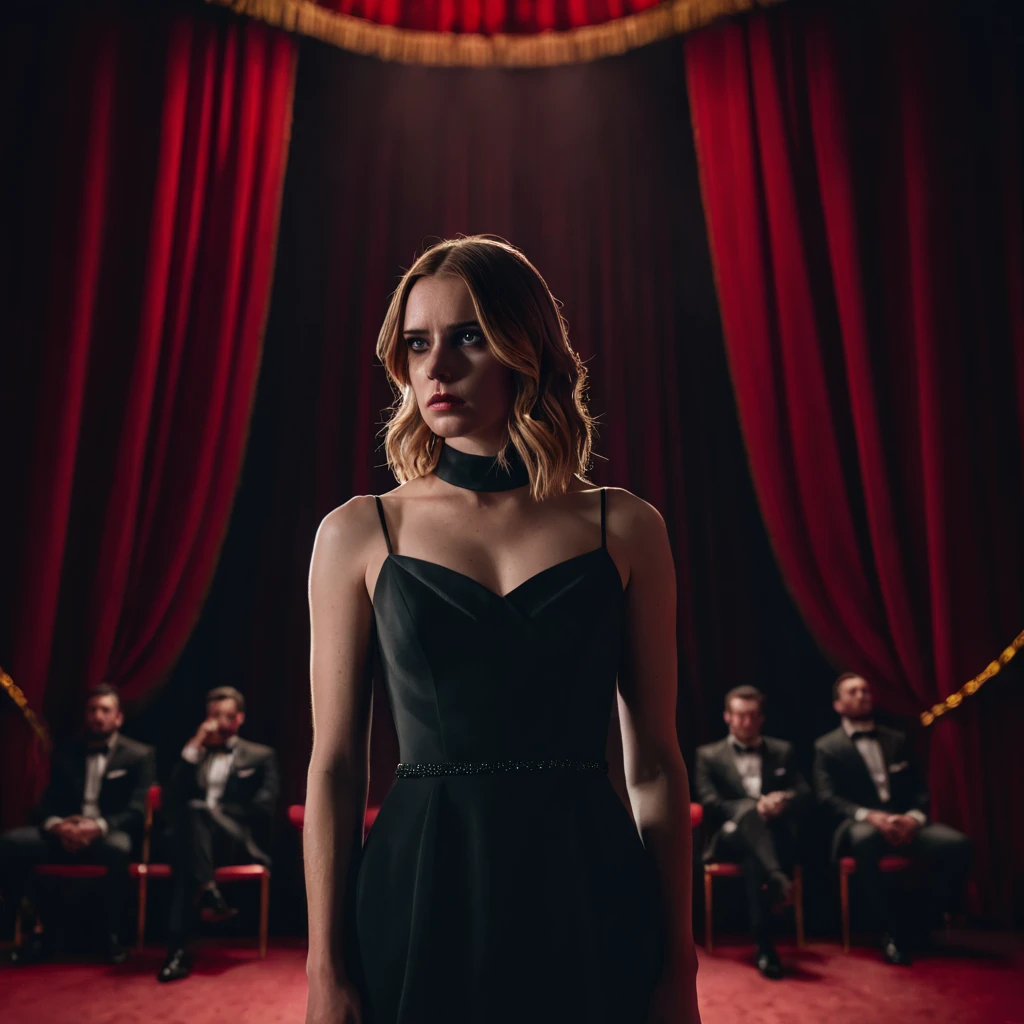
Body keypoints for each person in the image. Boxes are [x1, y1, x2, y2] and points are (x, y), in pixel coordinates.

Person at [303, 236, 701, 1024]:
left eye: (469, 337)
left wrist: (678, 966)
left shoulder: (624, 526)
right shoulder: (358, 531)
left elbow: (654, 762)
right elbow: (337, 768)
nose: (437, 368)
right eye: (418, 343)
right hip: (418, 891)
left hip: (591, 890)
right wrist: (324, 970)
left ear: (527, 349)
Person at [814, 672, 973, 965]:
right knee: (865, 839)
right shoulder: (827, 746)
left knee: (959, 845)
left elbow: (920, 791)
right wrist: (871, 817)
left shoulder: (896, 738)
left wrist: (912, 819)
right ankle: (891, 931)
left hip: (906, 823)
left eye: (865, 690)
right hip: (861, 825)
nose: (862, 695)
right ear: (838, 705)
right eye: (853, 692)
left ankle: (924, 923)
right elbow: (827, 798)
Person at [0, 682, 155, 965]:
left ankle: (113, 938)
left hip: (107, 833)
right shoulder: (67, 751)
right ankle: (24, 933)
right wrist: (57, 826)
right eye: (93, 709)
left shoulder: (139, 755)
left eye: (105, 710)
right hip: (65, 833)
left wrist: (96, 827)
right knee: (11, 843)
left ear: (118, 717)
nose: (98, 716)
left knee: (118, 850)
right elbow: (44, 805)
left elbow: (136, 810)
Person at [157, 686, 280, 982]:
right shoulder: (195, 754)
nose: (220, 722)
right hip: (195, 843)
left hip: (234, 841)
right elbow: (171, 798)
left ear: (239, 718)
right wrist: (196, 745)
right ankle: (204, 900)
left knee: (197, 814)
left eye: (227, 716)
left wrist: (214, 814)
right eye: (214, 716)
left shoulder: (261, 755)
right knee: (189, 854)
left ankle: (179, 948)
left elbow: (264, 807)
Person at [694, 685, 810, 979]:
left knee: (755, 861)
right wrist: (755, 807)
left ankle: (765, 945)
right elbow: (710, 803)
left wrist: (782, 801)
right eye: (740, 716)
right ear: (727, 717)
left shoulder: (783, 750)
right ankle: (777, 881)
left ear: (761, 719)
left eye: (752, 716)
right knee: (748, 816)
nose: (746, 722)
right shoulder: (708, 755)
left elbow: (804, 793)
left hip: (772, 840)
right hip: (728, 838)